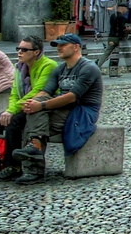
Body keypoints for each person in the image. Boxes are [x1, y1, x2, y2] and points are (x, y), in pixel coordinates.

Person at [10, 34, 103, 185]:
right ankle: (35, 147)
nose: (59, 48)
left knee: (35, 120)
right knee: (34, 112)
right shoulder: (60, 69)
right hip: (62, 108)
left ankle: (34, 168)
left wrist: (41, 105)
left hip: (81, 111)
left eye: (63, 45)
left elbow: (72, 97)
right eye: (57, 45)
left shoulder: (89, 68)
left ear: (76, 47)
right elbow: (46, 91)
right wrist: (32, 102)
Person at [0, 38, 55, 183]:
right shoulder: (19, 67)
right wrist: (10, 110)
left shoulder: (49, 65)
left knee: (13, 122)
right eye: (18, 49)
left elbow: (37, 91)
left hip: (44, 108)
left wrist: (12, 112)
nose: (19, 52)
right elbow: (15, 93)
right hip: (23, 106)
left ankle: (13, 166)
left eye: (24, 49)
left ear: (36, 52)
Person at [98, 3, 130, 77]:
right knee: (122, 54)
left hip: (111, 37)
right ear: (122, 8)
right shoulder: (122, 17)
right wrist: (126, 31)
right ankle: (127, 68)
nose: (126, 11)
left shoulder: (113, 15)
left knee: (107, 53)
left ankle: (97, 66)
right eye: (126, 9)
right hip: (119, 38)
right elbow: (121, 29)